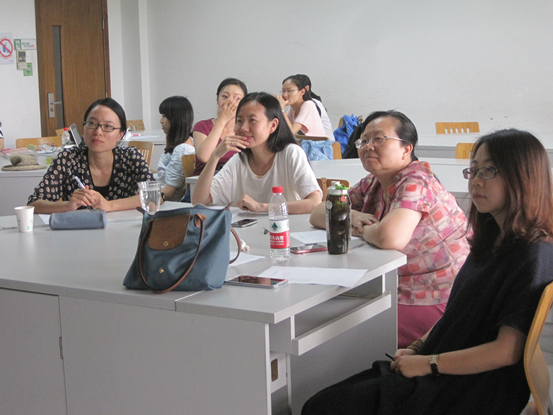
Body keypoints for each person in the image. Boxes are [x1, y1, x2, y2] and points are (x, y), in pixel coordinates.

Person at [302, 129, 553, 415]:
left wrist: (429, 363)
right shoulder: (493, 239)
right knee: (325, 401)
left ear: (523, 176)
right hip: (442, 368)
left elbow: (506, 351)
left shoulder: (533, 254)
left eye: (489, 170)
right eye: (473, 170)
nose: (476, 181)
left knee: (323, 407)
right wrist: (418, 347)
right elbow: (457, 311)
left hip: (470, 389)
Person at [310, 110, 470, 347]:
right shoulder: (373, 182)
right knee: (322, 318)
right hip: (392, 285)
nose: (368, 146)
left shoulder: (417, 180)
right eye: (364, 140)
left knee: (335, 333)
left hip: (435, 296)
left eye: (379, 139)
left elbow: (389, 237)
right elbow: (317, 213)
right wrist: (353, 216)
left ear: (407, 149)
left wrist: (361, 229)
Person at [192, 92, 321, 213]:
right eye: (239, 120)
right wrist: (214, 156)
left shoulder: (291, 153)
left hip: (285, 228)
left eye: (252, 120)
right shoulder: (239, 160)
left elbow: (314, 202)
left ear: (273, 125)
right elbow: (199, 201)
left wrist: (261, 207)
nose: (243, 128)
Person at [28, 98, 154, 213]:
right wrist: (68, 205)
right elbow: (34, 204)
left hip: (123, 228)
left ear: (120, 135)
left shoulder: (131, 158)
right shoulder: (68, 159)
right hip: (81, 229)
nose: (98, 132)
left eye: (108, 126)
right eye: (92, 123)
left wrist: (109, 205)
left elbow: (154, 197)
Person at [191, 78, 247, 177]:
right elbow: (204, 157)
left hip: (235, 180)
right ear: (217, 99)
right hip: (205, 181)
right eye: (225, 96)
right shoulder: (202, 126)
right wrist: (222, 120)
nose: (230, 102)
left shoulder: (245, 129)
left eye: (237, 98)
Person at [154, 96, 195, 201]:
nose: (161, 121)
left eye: (164, 116)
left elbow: (168, 193)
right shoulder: (189, 142)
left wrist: (143, 192)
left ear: (176, 119)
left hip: (165, 203)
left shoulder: (181, 150)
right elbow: (166, 175)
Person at [296, 74, 334, 139]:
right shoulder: (294, 106)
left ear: (306, 88)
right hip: (309, 142)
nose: (286, 94)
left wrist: (282, 108)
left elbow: (293, 130)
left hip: (326, 144)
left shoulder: (311, 104)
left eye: (290, 90)